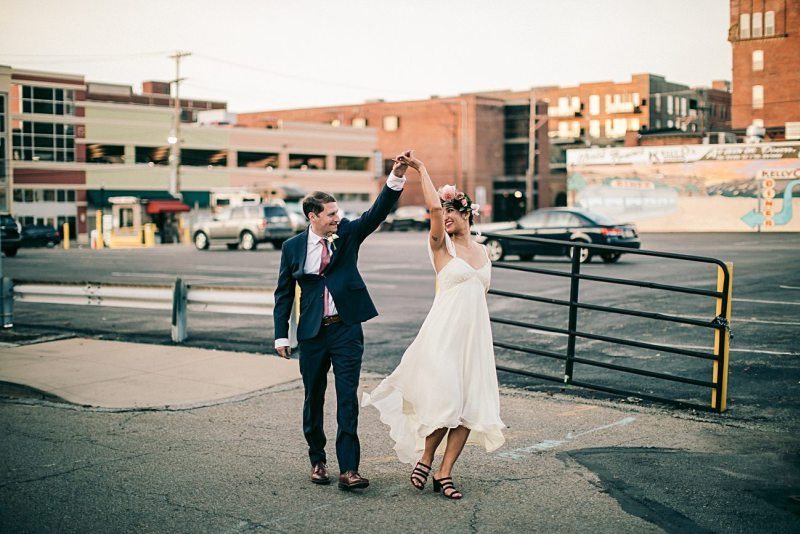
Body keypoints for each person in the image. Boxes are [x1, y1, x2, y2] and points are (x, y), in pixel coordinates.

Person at [362, 151, 505, 500]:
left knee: (469, 407)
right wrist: (422, 170)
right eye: (446, 213)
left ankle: (445, 472)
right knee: (446, 399)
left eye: (455, 212)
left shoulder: (484, 252)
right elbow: (435, 211)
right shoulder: (441, 247)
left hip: (474, 338)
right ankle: (426, 458)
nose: (448, 218)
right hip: (443, 336)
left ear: (467, 214)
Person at [273, 154, 409, 491]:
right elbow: (283, 294)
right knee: (313, 398)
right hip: (312, 334)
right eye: (331, 214)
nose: (338, 217)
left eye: (338, 212)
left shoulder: (347, 234)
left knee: (347, 398)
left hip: (347, 328)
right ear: (313, 216)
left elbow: (375, 213)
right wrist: (281, 336)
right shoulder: (292, 248)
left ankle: (349, 470)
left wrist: (396, 177)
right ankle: (317, 460)